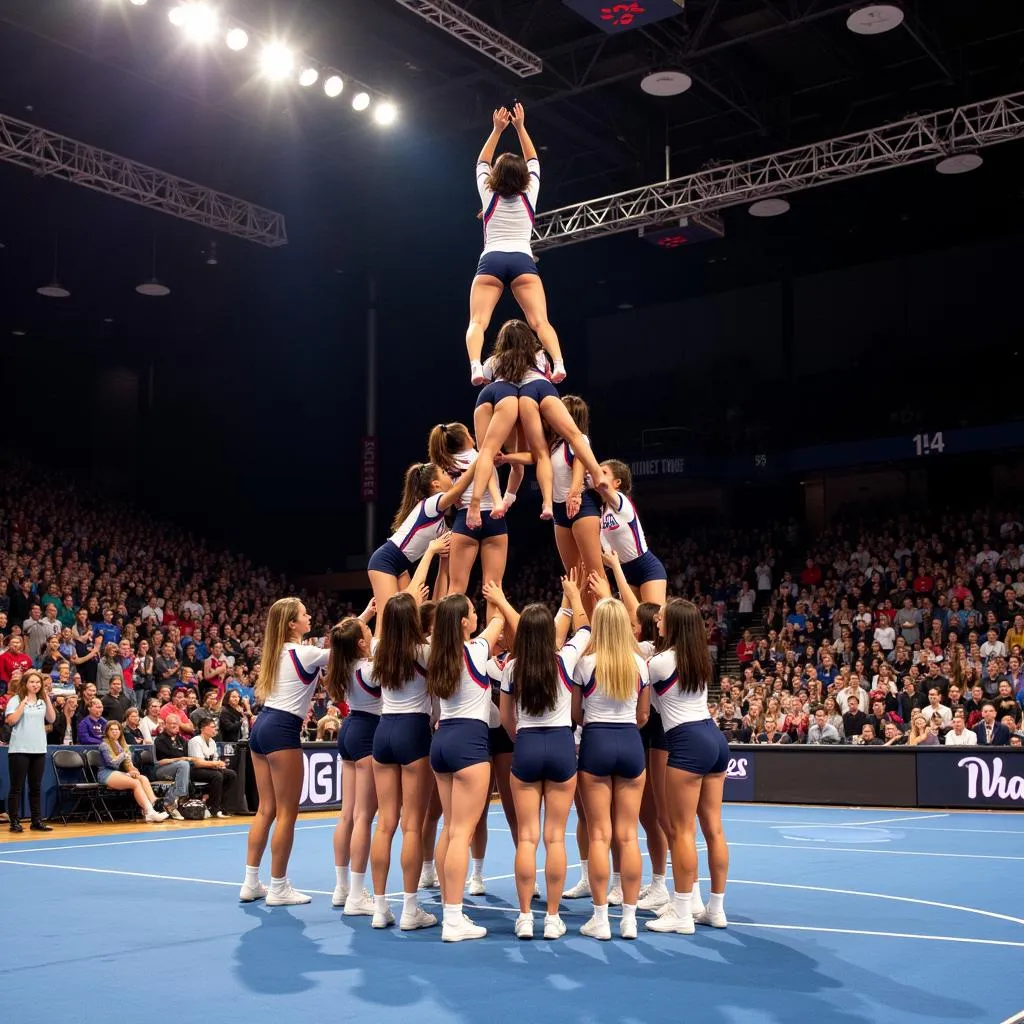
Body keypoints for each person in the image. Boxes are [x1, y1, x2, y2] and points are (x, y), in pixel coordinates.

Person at [500, 575, 589, 940]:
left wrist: (520, 738)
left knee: (527, 838)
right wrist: (571, 597)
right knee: (556, 837)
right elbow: (584, 628)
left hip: (527, 745)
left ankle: (524, 917)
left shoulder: (512, 667)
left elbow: (506, 717)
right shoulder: (565, 659)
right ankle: (552, 917)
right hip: (561, 746)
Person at [426, 589, 507, 942]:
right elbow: (500, 621)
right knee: (462, 832)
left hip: (442, 741)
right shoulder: (475, 650)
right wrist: (496, 592)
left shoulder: (437, 655)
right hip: (469, 741)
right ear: (463, 622)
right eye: (472, 611)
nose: (477, 615)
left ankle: (449, 908)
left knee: (449, 829)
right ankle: (454, 918)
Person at [646, 599, 731, 935]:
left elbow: (645, 705)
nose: (657, 618)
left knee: (680, 830)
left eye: (662, 616)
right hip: (714, 738)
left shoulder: (660, 662)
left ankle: (681, 911)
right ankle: (715, 909)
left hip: (686, 741)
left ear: (675, 624)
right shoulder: (699, 657)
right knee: (714, 829)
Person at [240, 598, 331, 907]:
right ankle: (279, 886)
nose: (310, 617)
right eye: (305, 614)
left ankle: (251, 882)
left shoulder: (277, 651)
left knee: (266, 809)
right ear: (293, 624)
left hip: (262, 726)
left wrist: (365, 614)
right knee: (287, 813)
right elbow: (344, 652)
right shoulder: (306, 653)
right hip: (282, 730)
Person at [467, 103, 564, 387]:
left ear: (496, 176)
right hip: (522, 261)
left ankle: (475, 366)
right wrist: (521, 127)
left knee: (478, 321)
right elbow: (533, 160)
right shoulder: (529, 194)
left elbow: (481, 163)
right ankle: (558, 364)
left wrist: (497, 130)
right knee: (540, 322)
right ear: (522, 176)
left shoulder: (488, 194)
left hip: (491, 261)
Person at [572, 597, 650, 941]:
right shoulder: (640, 664)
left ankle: (601, 918)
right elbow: (644, 715)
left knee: (599, 835)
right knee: (629, 836)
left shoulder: (586, 664)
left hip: (597, 741)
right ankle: (629, 918)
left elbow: (576, 713)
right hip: (630, 742)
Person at [368, 590, 438, 931]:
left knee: (384, 824)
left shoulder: (379, 648)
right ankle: (410, 908)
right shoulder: (425, 651)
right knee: (412, 824)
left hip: (384, 731)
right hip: (413, 731)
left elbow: (384, 624)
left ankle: (380, 908)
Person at [324, 602, 381, 917]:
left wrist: (365, 616)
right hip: (368, 733)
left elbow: (338, 641)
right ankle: (358, 894)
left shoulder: (342, 665)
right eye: (367, 631)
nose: (371, 631)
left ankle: (342, 887)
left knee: (346, 815)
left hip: (349, 731)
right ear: (361, 643)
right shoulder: (370, 669)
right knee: (363, 818)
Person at [366, 464, 468, 628]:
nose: (448, 474)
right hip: (385, 561)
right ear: (435, 484)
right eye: (443, 472)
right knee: (388, 620)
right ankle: (377, 652)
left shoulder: (441, 523)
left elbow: (446, 563)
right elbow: (456, 492)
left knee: (414, 617)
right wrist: (480, 462)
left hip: (401, 566)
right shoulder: (431, 504)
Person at [427, 423, 507, 620]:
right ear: (466, 437)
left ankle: (445, 643)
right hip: (493, 518)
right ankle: (495, 644)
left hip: (465, 521)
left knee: (455, 589)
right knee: (494, 587)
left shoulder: (445, 466)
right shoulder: (483, 454)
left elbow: (448, 497)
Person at [595, 461, 668, 606]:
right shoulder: (601, 513)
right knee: (634, 625)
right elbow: (608, 554)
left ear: (617, 483)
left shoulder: (622, 501)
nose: (598, 475)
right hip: (624, 572)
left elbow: (602, 485)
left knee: (652, 619)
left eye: (603, 473)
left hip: (646, 567)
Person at [5, 669, 56, 832]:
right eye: (32, 682)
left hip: (39, 749)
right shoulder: (15, 699)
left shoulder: (42, 700)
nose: (35, 684)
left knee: (36, 787)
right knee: (16, 787)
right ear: (25, 684)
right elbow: (11, 721)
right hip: (19, 749)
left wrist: (47, 698)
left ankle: (36, 821)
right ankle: (14, 822)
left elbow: (52, 718)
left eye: (38, 682)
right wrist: (23, 703)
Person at [96, 721, 168, 823]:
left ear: (120, 731)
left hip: (118, 773)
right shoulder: (104, 745)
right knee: (135, 783)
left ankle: (155, 804)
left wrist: (132, 770)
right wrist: (123, 755)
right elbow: (112, 764)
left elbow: (128, 763)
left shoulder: (121, 744)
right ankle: (149, 812)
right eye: (112, 730)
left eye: (117, 729)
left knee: (142, 778)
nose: (115, 732)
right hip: (106, 773)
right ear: (107, 732)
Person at [188, 716, 237, 818]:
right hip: (195, 770)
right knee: (217, 776)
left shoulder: (212, 742)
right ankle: (214, 808)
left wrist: (219, 765)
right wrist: (216, 764)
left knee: (230, 774)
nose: (215, 729)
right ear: (203, 728)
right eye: (212, 727)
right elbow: (198, 763)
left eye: (215, 727)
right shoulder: (195, 741)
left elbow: (214, 759)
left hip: (209, 769)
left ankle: (221, 806)